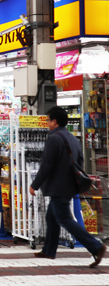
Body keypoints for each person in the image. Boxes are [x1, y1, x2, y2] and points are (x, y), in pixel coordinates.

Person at [30, 106, 106, 267]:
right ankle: (49, 250)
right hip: (70, 185)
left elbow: (46, 165)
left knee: (65, 219)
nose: (47, 122)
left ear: (54, 121)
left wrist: (34, 185)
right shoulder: (72, 138)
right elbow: (80, 162)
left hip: (59, 186)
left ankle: (96, 246)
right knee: (52, 216)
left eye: (48, 119)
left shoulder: (53, 138)